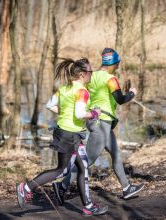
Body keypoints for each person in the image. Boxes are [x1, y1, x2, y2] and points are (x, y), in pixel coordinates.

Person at [15, 58, 108, 216]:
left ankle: (88, 206)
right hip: (70, 135)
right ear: (81, 74)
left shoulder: (65, 88)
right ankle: (26, 188)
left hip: (68, 133)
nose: (92, 74)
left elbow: (50, 105)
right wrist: (94, 113)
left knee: (83, 166)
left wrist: (65, 113)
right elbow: (79, 113)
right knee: (62, 171)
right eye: (90, 72)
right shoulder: (81, 91)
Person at [52, 48, 144, 205]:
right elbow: (121, 99)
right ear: (113, 63)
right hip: (101, 123)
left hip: (100, 122)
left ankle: (127, 188)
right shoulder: (110, 79)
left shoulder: (91, 76)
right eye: (117, 63)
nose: (118, 65)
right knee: (87, 161)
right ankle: (61, 185)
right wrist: (132, 93)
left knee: (116, 154)